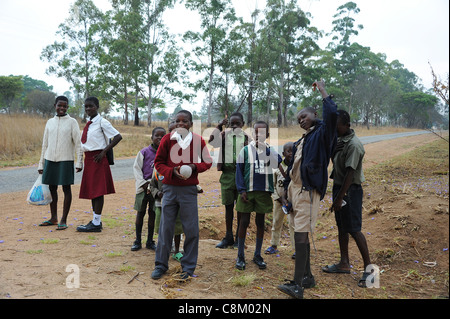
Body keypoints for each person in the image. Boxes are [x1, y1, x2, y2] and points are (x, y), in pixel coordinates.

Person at [278, 80, 338, 299]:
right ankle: (307, 277)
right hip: (295, 191)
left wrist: (323, 90)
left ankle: (297, 286)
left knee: (302, 237)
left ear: (314, 113)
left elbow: (332, 114)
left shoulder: (323, 133)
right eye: (298, 120)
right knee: (298, 234)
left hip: (307, 191)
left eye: (304, 116)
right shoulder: (302, 140)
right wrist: (285, 193)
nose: (301, 121)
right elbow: (292, 166)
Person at [151, 110, 212, 280]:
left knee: (191, 229)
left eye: (184, 121)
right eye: (177, 121)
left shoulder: (198, 140)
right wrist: (172, 172)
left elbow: (207, 162)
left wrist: (193, 167)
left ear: (191, 124)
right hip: (169, 189)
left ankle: (188, 267)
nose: (180, 124)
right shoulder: (167, 139)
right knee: (165, 229)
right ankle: (160, 265)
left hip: (188, 190)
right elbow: (158, 163)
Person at [322, 109, 372, 288]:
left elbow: (351, 174)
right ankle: (344, 263)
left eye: (337, 127)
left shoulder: (354, 145)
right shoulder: (340, 141)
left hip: (350, 190)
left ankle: (370, 271)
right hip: (339, 188)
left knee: (354, 229)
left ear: (347, 125)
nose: (334, 130)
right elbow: (335, 162)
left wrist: (339, 198)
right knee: (342, 227)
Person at [235, 121, 282, 270]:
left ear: (267, 135)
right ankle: (240, 256)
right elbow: (239, 172)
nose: (258, 135)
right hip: (247, 192)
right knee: (244, 222)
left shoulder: (270, 151)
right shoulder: (245, 151)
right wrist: (241, 190)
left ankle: (257, 254)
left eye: (261, 132)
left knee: (260, 223)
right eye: (255, 132)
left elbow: (278, 164)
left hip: (263, 192)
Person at [77, 97, 122, 232]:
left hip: (98, 158)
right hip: (89, 159)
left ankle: (96, 223)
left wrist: (104, 152)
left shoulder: (102, 122)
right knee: (92, 191)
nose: (88, 109)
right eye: (86, 107)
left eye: (91, 106)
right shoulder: (89, 122)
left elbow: (118, 136)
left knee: (98, 191)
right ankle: (96, 220)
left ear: (97, 106)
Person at [38, 96, 83, 230]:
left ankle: (63, 219)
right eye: (59, 106)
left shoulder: (72, 122)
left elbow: (78, 143)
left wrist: (80, 161)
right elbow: (44, 144)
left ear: (67, 107)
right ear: (55, 106)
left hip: (66, 160)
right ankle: (53, 217)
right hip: (50, 159)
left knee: (66, 188)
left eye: (64, 106)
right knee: (52, 188)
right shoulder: (49, 122)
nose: (62, 108)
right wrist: (41, 163)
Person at [208, 112, 250, 249]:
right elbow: (212, 142)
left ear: (243, 124)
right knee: (228, 207)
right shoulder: (224, 135)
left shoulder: (247, 138)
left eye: (238, 123)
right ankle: (228, 236)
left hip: (242, 176)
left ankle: (239, 237)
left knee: (241, 208)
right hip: (227, 175)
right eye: (232, 124)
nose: (235, 126)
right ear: (229, 124)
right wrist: (219, 126)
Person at [131, 126, 166, 251]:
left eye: (162, 136)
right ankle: (137, 240)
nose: (159, 138)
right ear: (152, 137)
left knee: (153, 214)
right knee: (140, 213)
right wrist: (144, 184)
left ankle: (150, 241)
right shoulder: (144, 152)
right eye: (157, 135)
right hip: (143, 188)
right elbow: (137, 169)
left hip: (156, 190)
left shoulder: (166, 154)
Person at [265, 142, 295, 255]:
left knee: (293, 225)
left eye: (293, 151)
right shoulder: (277, 168)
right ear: (283, 153)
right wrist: (279, 198)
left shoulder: (296, 167)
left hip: (293, 201)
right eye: (288, 151)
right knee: (276, 222)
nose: (291, 153)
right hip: (279, 201)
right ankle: (273, 245)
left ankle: (296, 248)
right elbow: (272, 185)